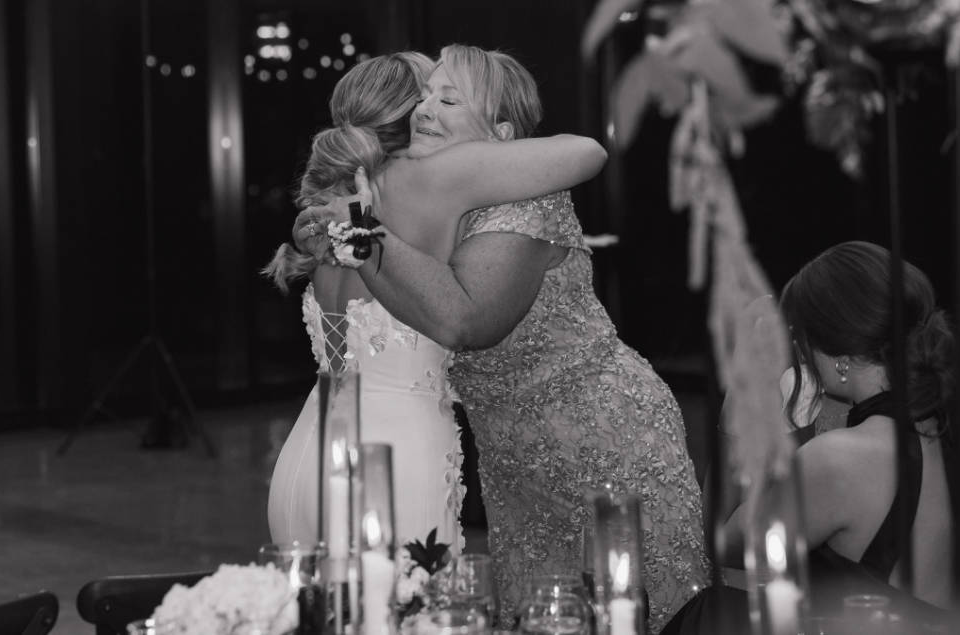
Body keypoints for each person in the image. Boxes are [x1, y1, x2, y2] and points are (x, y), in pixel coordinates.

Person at [297, 44, 709, 633]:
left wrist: (358, 229)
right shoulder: (431, 196)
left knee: (641, 615)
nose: (424, 110)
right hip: (512, 459)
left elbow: (468, 323)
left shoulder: (525, 200)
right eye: (424, 95)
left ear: (502, 133)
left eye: (449, 98)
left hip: (603, 438)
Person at [265, 51, 608, 556]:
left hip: (304, 457)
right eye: (429, 95)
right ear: (408, 114)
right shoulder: (436, 177)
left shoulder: (336, 201)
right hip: (394, 461)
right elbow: (586, 152)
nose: (433, 107)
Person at [664, 241, 960, 634]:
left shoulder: (841, 460)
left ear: (838, 358)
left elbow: (721, 542)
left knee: (715, 611)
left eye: (801, 340)